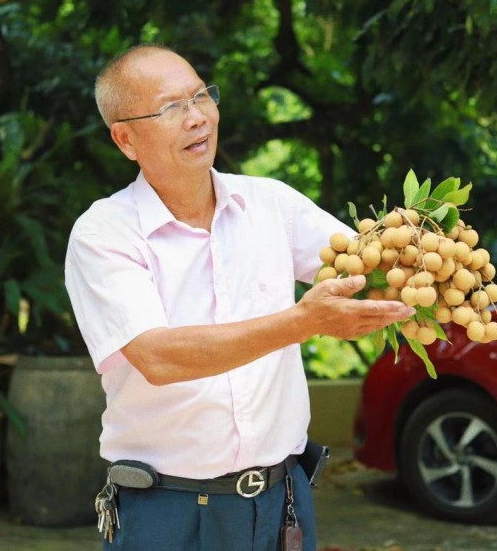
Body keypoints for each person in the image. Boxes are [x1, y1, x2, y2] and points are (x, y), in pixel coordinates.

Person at [64, 43, 415, 550]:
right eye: (170, 108)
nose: (196, 118)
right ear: (125, 139)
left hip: (280, 501)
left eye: (201, 96)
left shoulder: (270, 204)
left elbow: (363, 271)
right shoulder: (105, 233)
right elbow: (158, 357)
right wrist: (303, 321)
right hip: (166, 510)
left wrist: (422, 255)